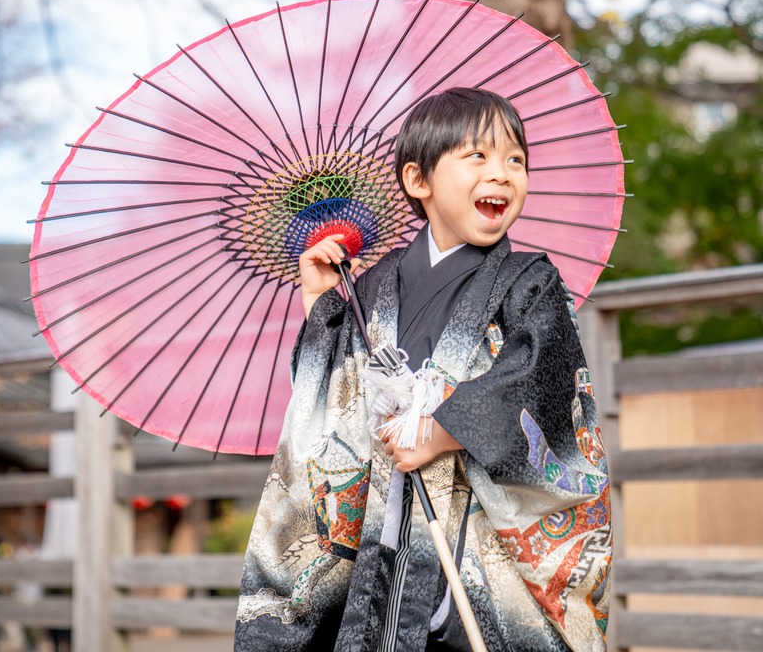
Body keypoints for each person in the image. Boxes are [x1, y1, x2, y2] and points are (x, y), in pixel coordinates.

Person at [235, 88, 611, 651]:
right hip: (376, 533)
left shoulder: (529, 282)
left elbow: (541, 371)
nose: (504, 174)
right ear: (419, 181)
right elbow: (333, 386)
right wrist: (321, 304)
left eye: (516, 160)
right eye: (478, 157)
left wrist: (443, 430)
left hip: (470, 544)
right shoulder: (375, 286)